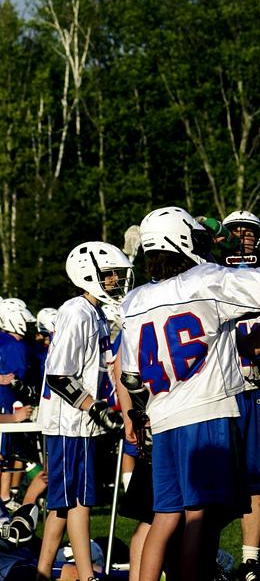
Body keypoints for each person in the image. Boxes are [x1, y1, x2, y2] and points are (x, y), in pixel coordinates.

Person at [118, 206, 260, 581]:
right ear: (183, 240)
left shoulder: (135, 300)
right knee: (200, 514)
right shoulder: (204, 279)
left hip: (163, 416)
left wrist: (140, 417)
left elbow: (131, 377)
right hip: (206, 411)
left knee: (164, 516)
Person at [36, 242, 133, 581]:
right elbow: (60, 374)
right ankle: (86, 575)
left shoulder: (96, 313)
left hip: (81, 422)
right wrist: (95, 407)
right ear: (88, 274)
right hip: (69, 421)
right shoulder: (76, 312)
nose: (114, 282)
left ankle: (44, 571)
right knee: (77, 500)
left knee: (67, 503)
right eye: (109, 275)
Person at [222, 210, 260, 581]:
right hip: (221, 395)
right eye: (237, 232)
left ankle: (250, 560)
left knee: (258, 479)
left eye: (249, 233)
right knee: (213, 480)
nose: (243, 238)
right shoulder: (214, 279)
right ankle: (204, 551)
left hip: (255, 392)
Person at [0, 299, 34, 511]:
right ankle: (5, 496)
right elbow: (16, 378)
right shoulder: (13, 344)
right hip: (7, 402)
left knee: (12, 451)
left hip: (8, 401)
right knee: (7, 451)